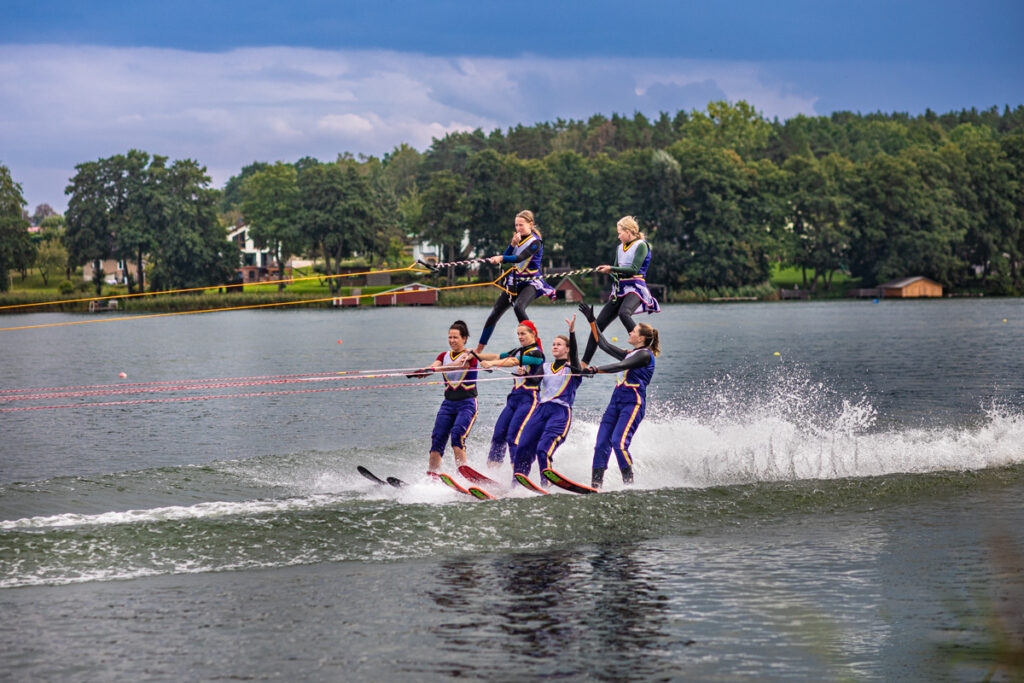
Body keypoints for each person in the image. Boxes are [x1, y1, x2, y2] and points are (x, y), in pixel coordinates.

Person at [578, 302, 659, 489]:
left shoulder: (645, 356)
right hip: (615, 403)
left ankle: (629, 484)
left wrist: (595, 369)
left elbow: (621, 366)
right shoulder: (630, 353)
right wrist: (592, 320)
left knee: (618, 442)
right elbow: (602, 343)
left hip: (633, 404)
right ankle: (595, 485)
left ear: (642, 338)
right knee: (600, 444)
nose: (629, 333)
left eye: (633, 331)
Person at [511, 315, 584, 481]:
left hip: (560, 413)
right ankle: (517, 483)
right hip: (541, 411)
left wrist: (571, 332)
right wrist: (524, 374)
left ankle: (547, 484)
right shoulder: (545, 366)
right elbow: (534, 381)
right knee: (523, 447)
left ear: (567, 349)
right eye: (553, 344)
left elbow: (575, 353)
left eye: (559, 344)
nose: (555, 347)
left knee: (542, 450)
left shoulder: (573, 369)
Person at [581, 216, 660, 366]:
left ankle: (642, 349)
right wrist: (607, 271)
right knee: (597, 324)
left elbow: (633, 269)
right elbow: (617, 271)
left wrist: (611, 268)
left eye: (620, 233)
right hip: (620, 289)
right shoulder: (619, 248)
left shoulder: (641, 245)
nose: (618, 236)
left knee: (624, 313)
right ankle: (584, 363)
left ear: (629, 231)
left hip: (636, 288)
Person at [474, 210, 555, 354]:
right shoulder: (517, 239)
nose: (518, 228)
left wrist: (501, 258)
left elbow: (519, 258)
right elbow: (507, 255)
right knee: (495, 312)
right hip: (515, 281)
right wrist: (511, 245)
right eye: (516, 225)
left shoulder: (535, 242)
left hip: (532, 282)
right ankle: (478, 351)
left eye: (521, 225)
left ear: (530, 224)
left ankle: (536, 347)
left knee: (519, 307)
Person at [409, 320, 480, 473]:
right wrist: (423, 371)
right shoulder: (443, 355)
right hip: (448, 405)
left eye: (455, 337)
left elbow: (457, 366)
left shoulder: (470, 355)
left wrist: (435, 370)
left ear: (464, 338)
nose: (452, 341)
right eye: (450, 337)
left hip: (467, 404)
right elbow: (434, 366)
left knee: (457, 436)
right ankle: (432, 476)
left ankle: (464, 474)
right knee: (437, 438)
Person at [475, 321, 545, 469]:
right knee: (499, 435)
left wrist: (493, 364)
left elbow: (513, 361)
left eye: (523, 333)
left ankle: (518, 475)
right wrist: (474, 356)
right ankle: (492, 473)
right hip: (513, 399)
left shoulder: (536, 353)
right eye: (518, 334)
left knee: (513, 436)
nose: (520, 336)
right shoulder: (518, 350)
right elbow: (496, 355)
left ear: (533, 334)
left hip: (528, 399)